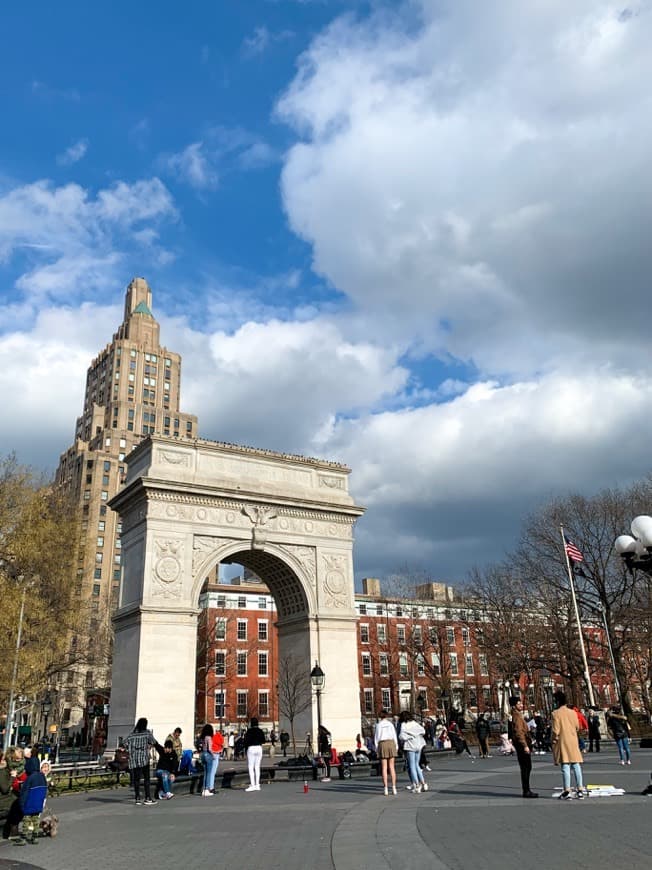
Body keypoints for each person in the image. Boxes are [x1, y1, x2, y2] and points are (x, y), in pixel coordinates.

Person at [2, 760, 49, 839]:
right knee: (35, 819)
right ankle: (35, 834)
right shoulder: (42, 777)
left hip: (29, 805)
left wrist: (22, 804)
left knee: (26, 820)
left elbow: (24, 792)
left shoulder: (30, 778)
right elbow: (44, 791)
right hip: (38, 804)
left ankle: (25, 834)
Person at [552, 691, 585, 800]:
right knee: (576, 765)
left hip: (563, 741)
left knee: (565, 766)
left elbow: (555, 730)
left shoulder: (556, 713)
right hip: (573, 740)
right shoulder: (573, 712)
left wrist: (553, 739)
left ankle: (567, 790)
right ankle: (580, 789)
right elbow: (577, 726)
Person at [125, 717, 158, 806]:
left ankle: (137, 798)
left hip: (134, 759)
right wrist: (148, 745)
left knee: (136, 779)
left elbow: (125, 743)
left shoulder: (132, 734)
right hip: (144, 759)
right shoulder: (147, 733)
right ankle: (148, 798)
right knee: (146, 779)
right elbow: (153, 741)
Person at [509, 697, 538, 798]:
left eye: (521, 703)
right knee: (526, 767)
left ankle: (527, 789)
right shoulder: (516, 716)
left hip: (522, 743)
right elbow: (518, 732)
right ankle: (526, 790)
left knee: (526, 767)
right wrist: (525, 745)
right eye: (519, 703)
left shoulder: (517, 715)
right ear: (514, 705)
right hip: (522, 744)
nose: (521, 705)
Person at [398, 711, 427, 793]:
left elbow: (401, 736)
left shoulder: (404, 724)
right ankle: (424, 783)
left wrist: (409, 736)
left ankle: (417, 785)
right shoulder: (415, 723)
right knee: (417, 765)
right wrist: (416, 734)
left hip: (410, 746)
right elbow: (423, 731)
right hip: (419, 745)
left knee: (412, 766)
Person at [374, 709, 398, 796]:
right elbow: (394, 735)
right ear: (387, 716)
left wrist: (377, 748)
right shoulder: (390, 724)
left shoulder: (378, 725)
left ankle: (386, 788)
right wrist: (396, 746)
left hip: (382, 743)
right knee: (392, 767)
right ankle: (394, 787)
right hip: (391, 742)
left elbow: (376, 737)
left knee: (384, 767)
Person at [244, 717, 266, 792]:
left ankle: (252, 785)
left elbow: (246, 741)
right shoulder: (260, 731)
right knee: (257, 767)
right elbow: (264, 741)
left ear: (251, 723)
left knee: (251, 767)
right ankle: (257, 784)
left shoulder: (249, 731)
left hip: (251, 748)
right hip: (259, 748)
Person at [199, 723, 217, 797]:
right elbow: (210, 748)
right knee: (209, 772)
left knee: (205, 772)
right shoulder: (209, 737)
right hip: (208, 755)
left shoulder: (203, 738)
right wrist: (213, 755)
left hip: (203, 754)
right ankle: (207, 789)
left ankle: (204, 790)